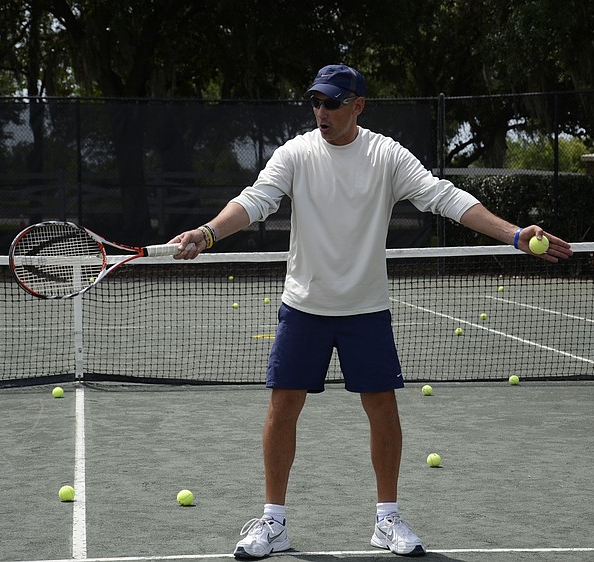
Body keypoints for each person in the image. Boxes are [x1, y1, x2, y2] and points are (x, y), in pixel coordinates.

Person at [168, 64, 573, 559]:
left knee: (382, 408)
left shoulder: (386, 155)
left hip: (366, 308)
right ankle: (273, 522)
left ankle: (387, 520)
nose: (321, 112)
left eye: (332, 103)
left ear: (358, 106)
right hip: (304, 307)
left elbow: (445, 197)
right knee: (283, 406)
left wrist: (514, 234)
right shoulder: (295, 153)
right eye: (316, 102)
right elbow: (254, 201)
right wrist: (207, 233)